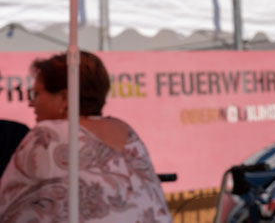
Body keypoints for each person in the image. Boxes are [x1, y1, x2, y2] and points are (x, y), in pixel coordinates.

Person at [0, 51, 171, 222]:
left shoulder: (48, 134)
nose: (31, 103)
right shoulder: (125, 129)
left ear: (65, 98)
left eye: (36, 94)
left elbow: (6, 207)